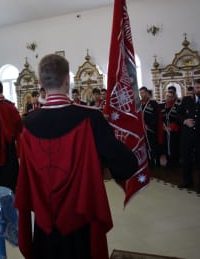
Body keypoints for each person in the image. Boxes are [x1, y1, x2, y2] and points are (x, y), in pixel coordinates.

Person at [14, 54, 137, 259]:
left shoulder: (28, 123)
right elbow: (126, 166)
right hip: (80, 218)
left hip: (45, 222)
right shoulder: (90, 117)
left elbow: (27, 176)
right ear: (68, 80)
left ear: (40, 83)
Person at [0, 81, 22, 191]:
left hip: (1, 149)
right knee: (12, 176)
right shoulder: (11, 105)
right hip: (11, 147)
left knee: (1, 180)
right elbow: (19, 125)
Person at [139, 86, 162, 168]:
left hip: (151, 129)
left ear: (147, 93)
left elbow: (156, 117)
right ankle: (149, 161)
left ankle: (157, 162)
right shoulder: (140, 104)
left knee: (153, 146)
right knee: (145, 146)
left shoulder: (153, 103)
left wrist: (149, 126)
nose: (141, 95)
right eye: (140, 93)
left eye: (143, 93)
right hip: (143, 129)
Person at [160, 89, 180, 167]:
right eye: (167, 96)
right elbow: (159, 117)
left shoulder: (177, 106)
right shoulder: (161, 106)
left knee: (174, 146)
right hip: (164, 130)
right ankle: (167, 161)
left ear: (173, 98)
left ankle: (175, 162)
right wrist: (163, 126)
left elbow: (179, 118)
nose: (168, 98)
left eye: (170, 97)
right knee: (165, 146)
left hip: (174, 131)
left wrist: (172, 127)